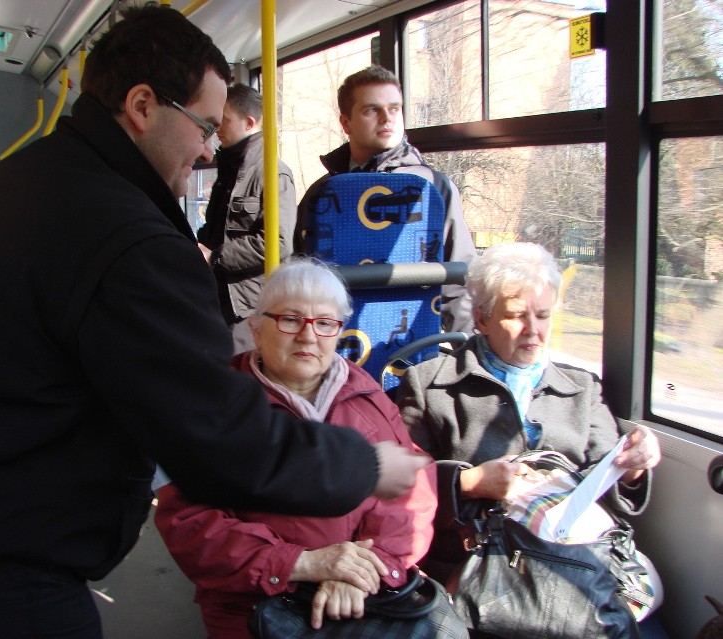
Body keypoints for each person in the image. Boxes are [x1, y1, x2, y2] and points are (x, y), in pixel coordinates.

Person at [0, 6, 429, 638]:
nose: (211, 147)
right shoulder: (127, 237)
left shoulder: (23, 181)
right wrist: (367, 468)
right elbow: (218, 443)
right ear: (141, 105)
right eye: (203, 126)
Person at [154, 257, 440, 638]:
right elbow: (189, 523)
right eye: (290, 320)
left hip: (360, 601)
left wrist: (365, 570)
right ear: (256, 330)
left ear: (339, 333)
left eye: (324, 323)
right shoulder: (213, 403)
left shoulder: (370, 398)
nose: (308, 336)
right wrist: (303, 563)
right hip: (256, 606)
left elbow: (412, 493)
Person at [395, 242, 664, 635]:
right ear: (483, 320)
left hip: (572, 560)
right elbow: (397, 484)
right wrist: (468, 484)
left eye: (543, 315)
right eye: (517, 316)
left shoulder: (581, 388)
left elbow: (608, 476)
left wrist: (633, 469)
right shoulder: (430, 385)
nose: (533, 331)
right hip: (483, 565)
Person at [294, 64, 478, 333]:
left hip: (413, 333)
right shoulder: (324, 193)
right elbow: (300, 271)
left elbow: (459, 280)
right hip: (331, 337)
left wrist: (467, 348)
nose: (387, 119)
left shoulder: (433, 189)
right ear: (346, 123)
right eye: (372, 110)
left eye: (394, 109)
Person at [197, 83, 296, 353]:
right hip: (219, 296)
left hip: (247, 305)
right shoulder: (230, 169)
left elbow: (277, 242)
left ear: (249, 122)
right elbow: (217, 228)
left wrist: (215, 257)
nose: (217, 127)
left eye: (224, 120)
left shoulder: (273, 174)